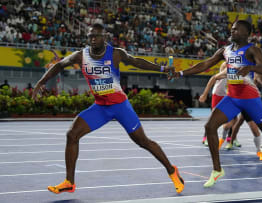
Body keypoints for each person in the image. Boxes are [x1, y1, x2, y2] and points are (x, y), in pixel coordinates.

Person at [31, 23, 184, 194]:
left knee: (143, 142)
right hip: (101, 108)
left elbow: (137, 62)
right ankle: (69, 182)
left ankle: (172, 171)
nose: (92, 39)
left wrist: (163, 69)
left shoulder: (116, 53)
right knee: (72, 134)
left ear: (105, 37)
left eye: (96, 36)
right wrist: (39, 83)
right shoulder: (80, 56)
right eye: (90, 36)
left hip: (120, 106)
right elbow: (59, 65)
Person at [170, 20, 262, 187]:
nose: (232, 31)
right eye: (232, 29)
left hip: (250, 98)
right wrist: (181, 73)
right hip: (232, 98)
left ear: (246, 34)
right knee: (210, 127)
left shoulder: (252, 50)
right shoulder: (224, 50)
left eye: (236, 30)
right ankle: (217, 170)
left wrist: (251, 68)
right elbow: (204, 64)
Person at [198, 62, 240, 148]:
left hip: (227, 95)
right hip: (218, 94)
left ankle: (231, 137)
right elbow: (213, 78)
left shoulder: (240, 66)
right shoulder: (226, 65)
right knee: (214, 118)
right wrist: (205, 94)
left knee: (235, 118)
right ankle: (206, 137)